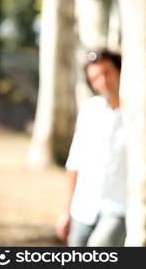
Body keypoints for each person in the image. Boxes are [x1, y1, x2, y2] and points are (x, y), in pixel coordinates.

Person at [56, 49, 127, 246]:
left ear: (120, 71)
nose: (103, 81)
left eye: (107, 73)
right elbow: (74, 164)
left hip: (119, 208)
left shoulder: (137, 114)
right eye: (95, 77)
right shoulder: (89, 110)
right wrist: (66, 211)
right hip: (84, 207)